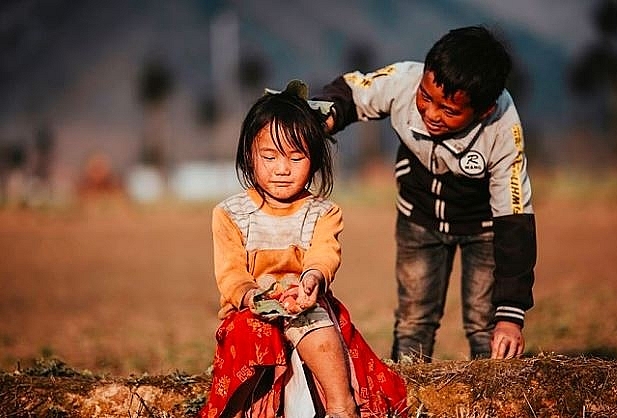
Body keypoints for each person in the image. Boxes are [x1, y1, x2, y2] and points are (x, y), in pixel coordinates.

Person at [315, 25, 536, 361]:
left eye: (449, 111)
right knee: (414, 321)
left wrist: (510, 315)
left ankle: (493, 400)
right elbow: (353, 93)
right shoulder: (404, 79)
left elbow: (514, 218)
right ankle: (406, 400)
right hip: (418, 218)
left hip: (485, 228)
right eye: (426, 97)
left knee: (485, 326)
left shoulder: (503, 129)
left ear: (484, 111)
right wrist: (323, 118)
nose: (431, 114)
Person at [200, 81, 407, 418]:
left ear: (314, 160)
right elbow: (231, 273)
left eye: (296, 158)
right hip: (249, 307)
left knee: (315, 324)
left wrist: (311, 280)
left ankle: (342, 405)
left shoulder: (324, 212)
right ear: (249, 156)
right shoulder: (229, 214)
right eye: (270, 156)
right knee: (249, 333)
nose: (282, 169)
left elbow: (324, 255)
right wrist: (253, 296)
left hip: (305, 301)